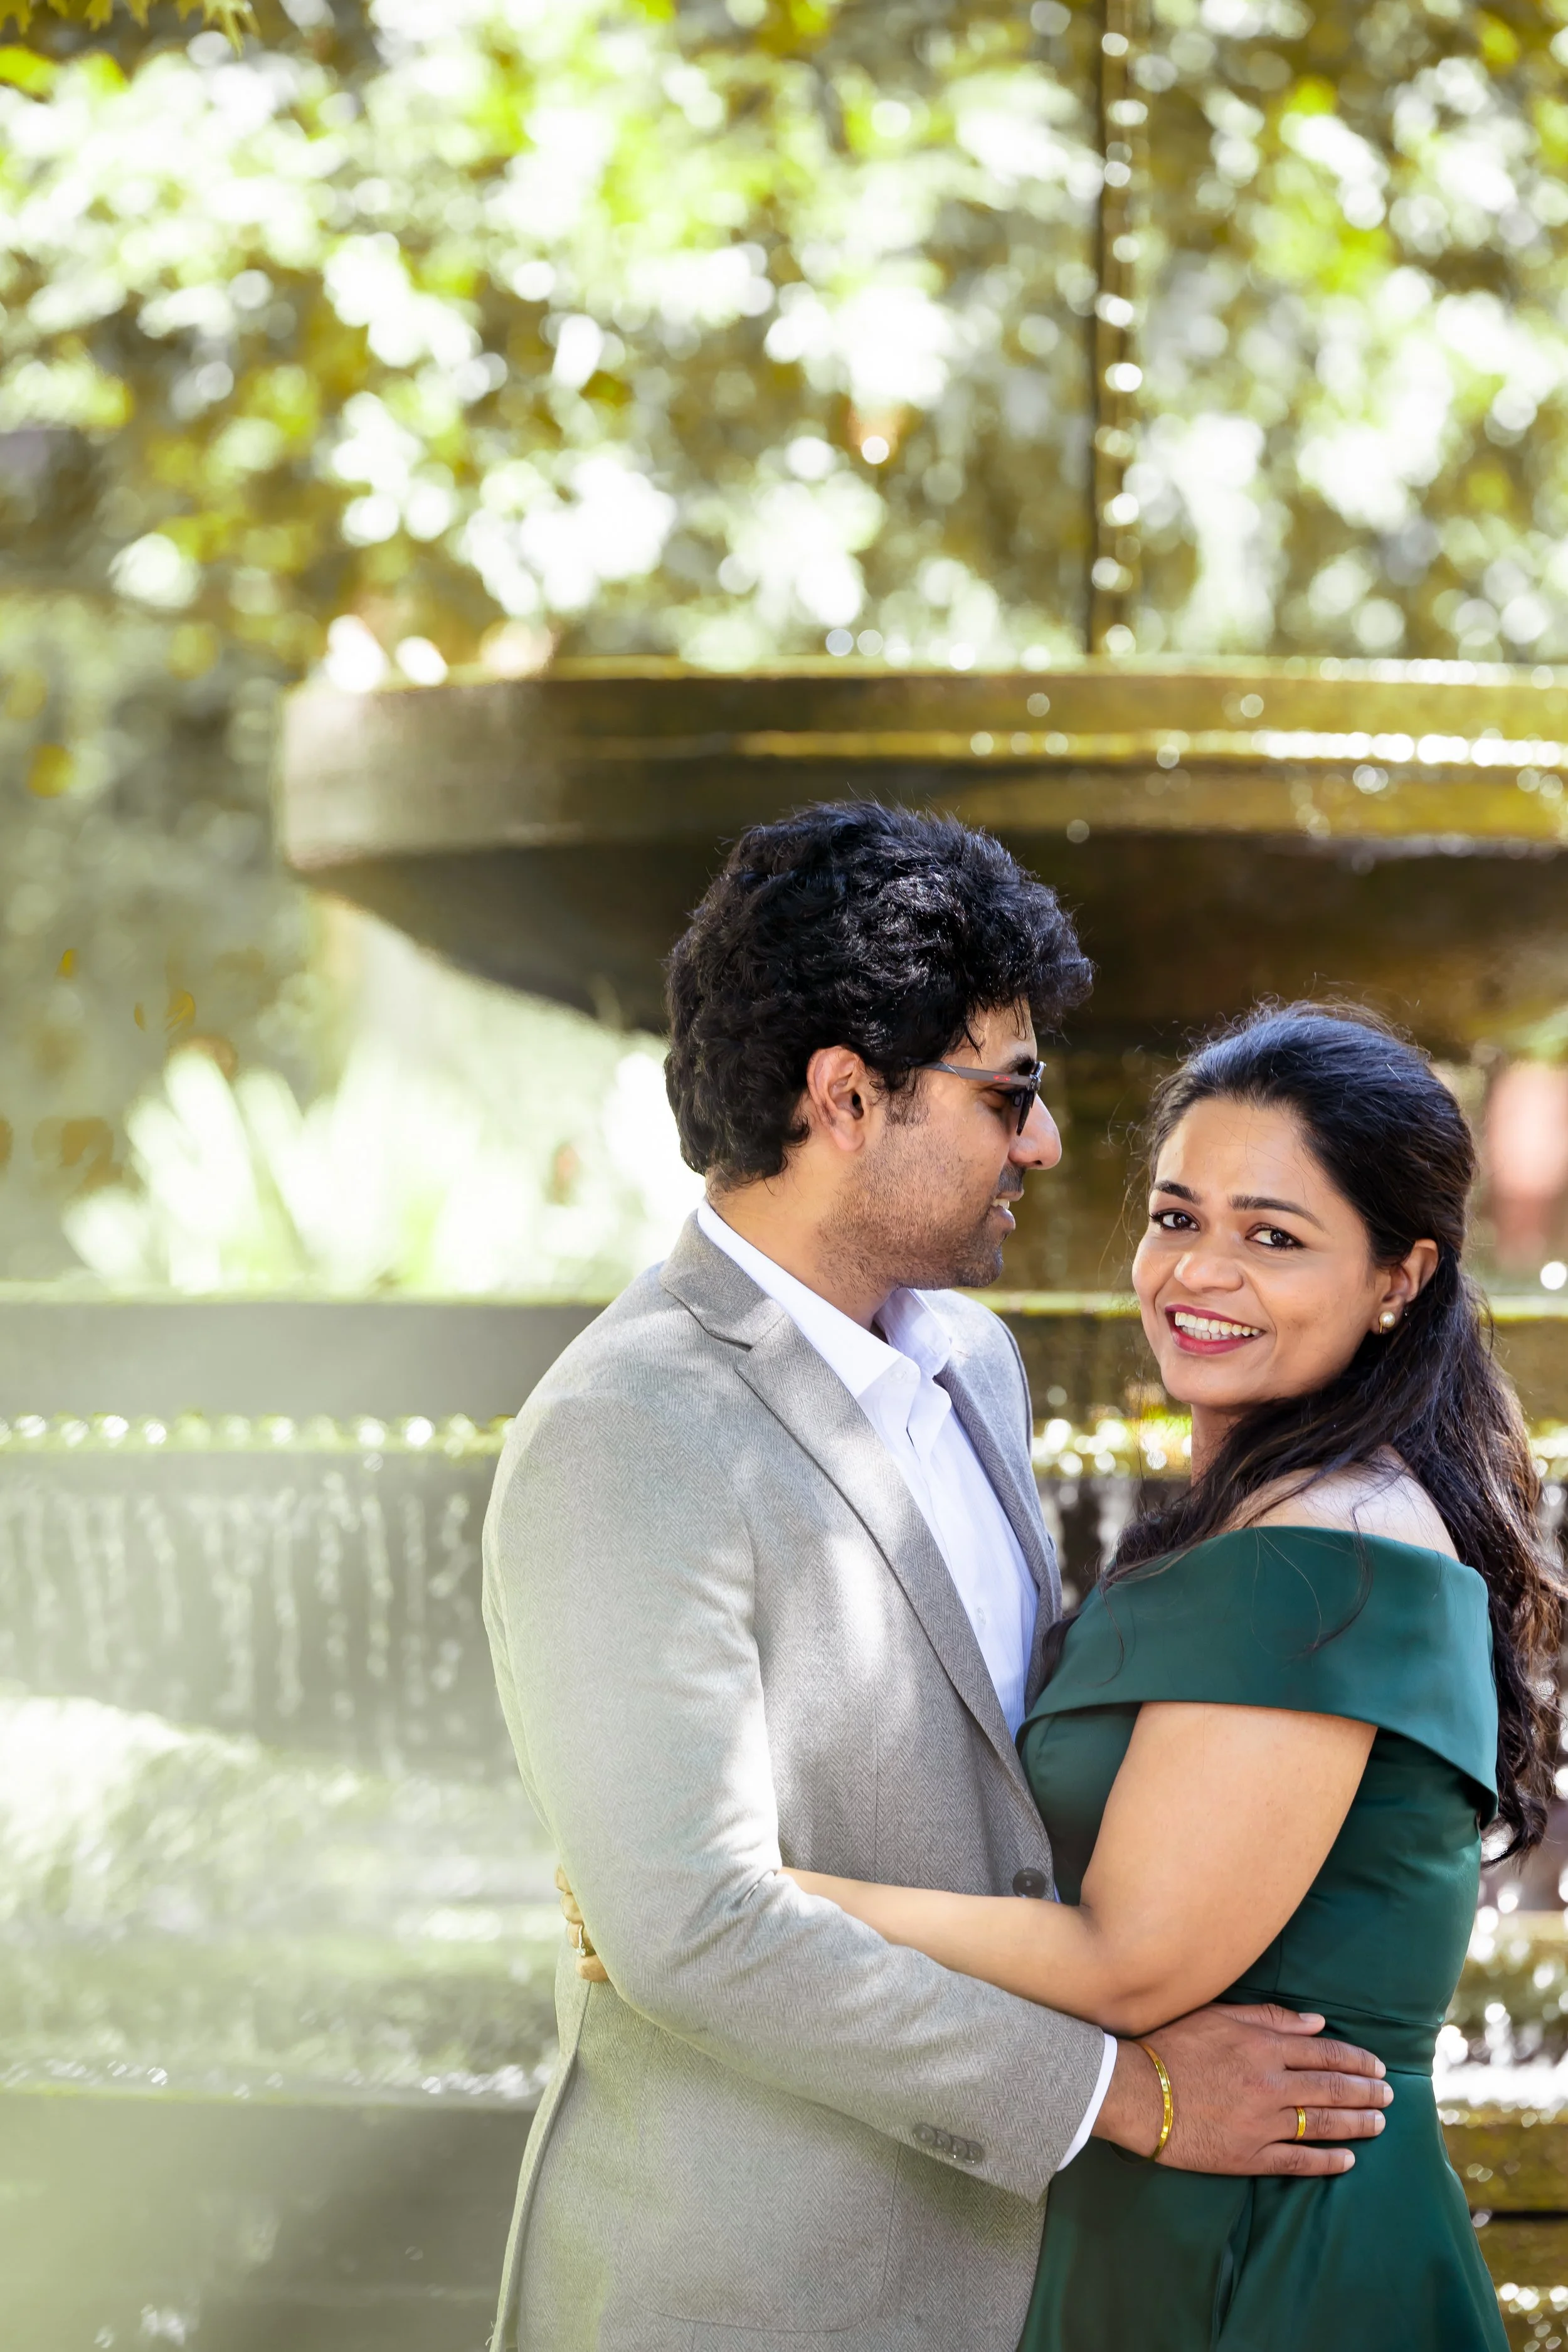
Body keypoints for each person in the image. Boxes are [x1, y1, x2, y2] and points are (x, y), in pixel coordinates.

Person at [486, 807, 1392, 2352]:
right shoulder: (624, 1433)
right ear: (847, 1098)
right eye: (1008, 1094)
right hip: (745, 2298)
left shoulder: (973, 1356)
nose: (1041, 1143)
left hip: (1010, 2286)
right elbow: (691, 1931)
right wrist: (1120, 2090)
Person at [712, 1001, 1562, 2349]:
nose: (1197, 1274)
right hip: (1171, 2205)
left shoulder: (1322, 1553)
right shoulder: (1260, 1510)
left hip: (1265, 2250)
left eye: (1271, 1238)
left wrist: (768, 1897)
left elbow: (1123, 1966)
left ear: (1396, 1277)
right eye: (1176, 1218)